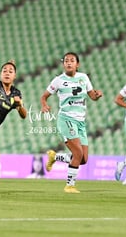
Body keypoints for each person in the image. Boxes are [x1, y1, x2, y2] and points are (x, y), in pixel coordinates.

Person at [41, 52, 103, 193]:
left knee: (83, 159)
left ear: (77, 64)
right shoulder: (58, 80)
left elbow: (91, 95)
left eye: (72, 60)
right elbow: (44, 96)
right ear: (63, 64)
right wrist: (44, 105)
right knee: (78, 153)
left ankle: (55, 157)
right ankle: (69, 185)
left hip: (81, 122)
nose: (69, 63)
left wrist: (97, 95)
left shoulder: (84, 78)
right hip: (66, 119)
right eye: (66, 61)